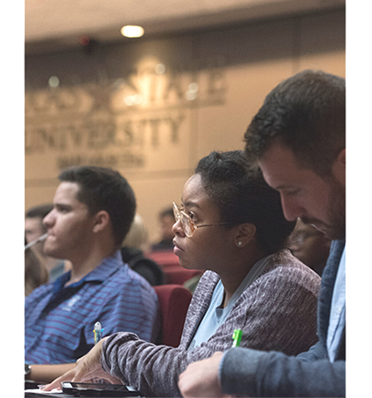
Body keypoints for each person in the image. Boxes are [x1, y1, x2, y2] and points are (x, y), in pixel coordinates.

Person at [40, 151, 320, 398]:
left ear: (242, 233)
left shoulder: (286, 285)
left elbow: (196, 375)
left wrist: (112, 349)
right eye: (180, 211)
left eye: (192, 217)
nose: (176, 226)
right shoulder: (213, 278)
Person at [178, 70, 346, 398]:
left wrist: (243, 370)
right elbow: (328, 355)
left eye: (293, 190)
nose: (289, 213)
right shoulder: (345, 234)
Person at [26, 166, 159, 378]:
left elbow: (109, 373)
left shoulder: (125, 290)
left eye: (63, 210)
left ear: (99, 222)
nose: (47, 220)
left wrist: (17, 372)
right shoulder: (49, 289)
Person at [27, 203, 68, 282]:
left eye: (30, 232)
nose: (25, 238)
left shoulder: (67, 269)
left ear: (48, 233)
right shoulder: (28, 267)